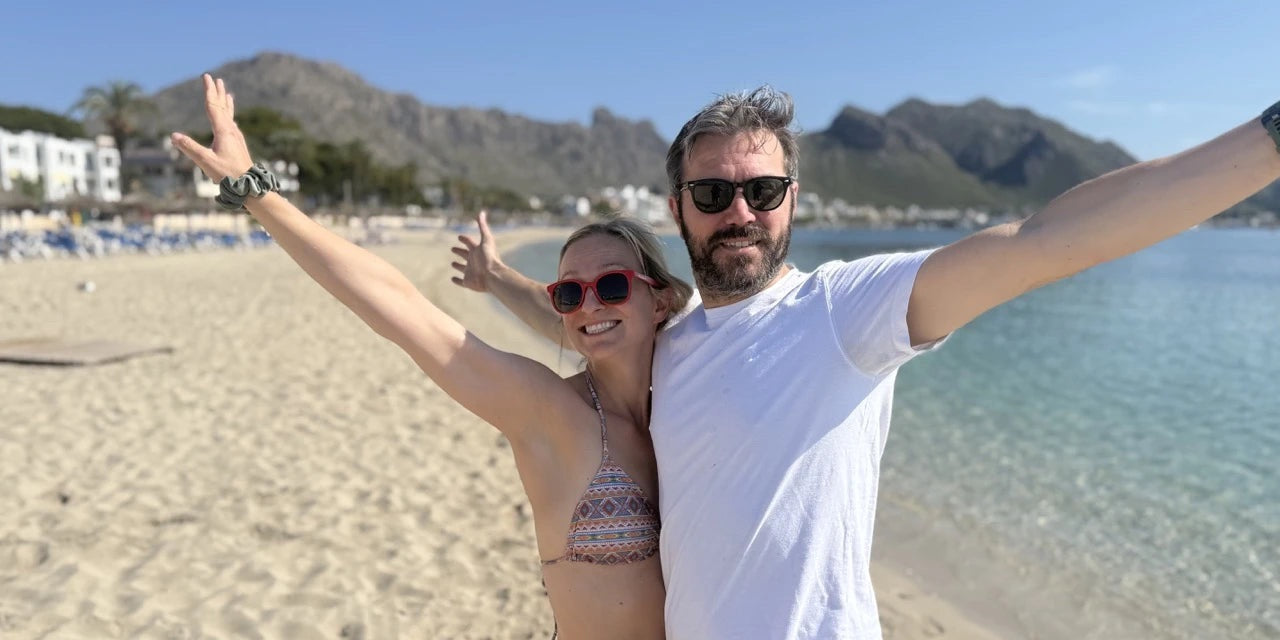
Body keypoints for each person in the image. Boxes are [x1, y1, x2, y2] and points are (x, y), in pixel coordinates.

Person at [452, 86, 1280, 639]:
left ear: (792, 202)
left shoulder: (848, 311)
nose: (738, 212)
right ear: (678, 211)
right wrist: (500, 279)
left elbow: (1044, 242)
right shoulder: (672, 340)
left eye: (762, 191)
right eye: (712, 195)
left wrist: (1269, 142)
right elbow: (580, 325)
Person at [170, 74, 693, 640]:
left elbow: (590, 324)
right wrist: (255, 191)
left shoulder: (690, 382)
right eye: (571, 292)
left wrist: (495, 276)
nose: (591, 305)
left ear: (660, 296)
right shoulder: (550, 412)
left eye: (612, 285)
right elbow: (403, 309)